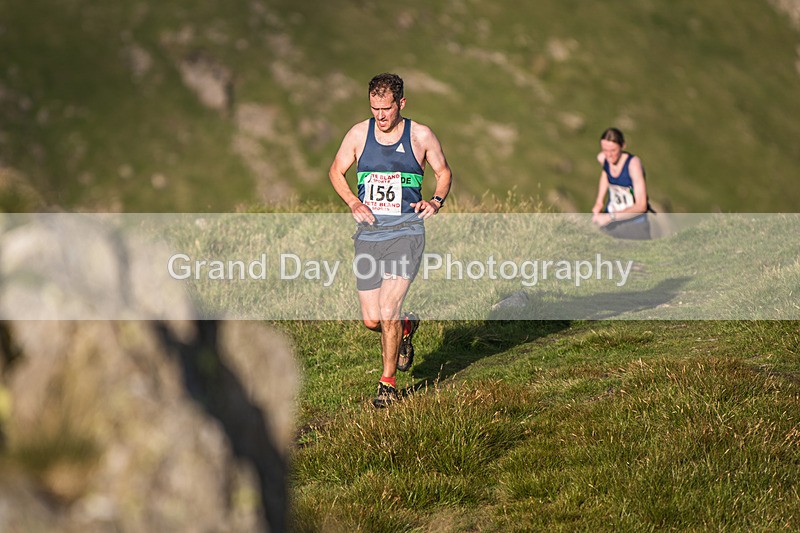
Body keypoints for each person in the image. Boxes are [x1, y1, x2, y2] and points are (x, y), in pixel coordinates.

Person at [329, 73, 453, 408]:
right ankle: (406, 326)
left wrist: (435, 201)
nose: (380, 116)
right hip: (369, 236)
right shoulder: (359, 134)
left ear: (401, 103)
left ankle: (387, 385)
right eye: (375, 108)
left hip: (406, 233)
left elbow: (443, 172)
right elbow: (336, 171)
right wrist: (353, 202)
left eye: (386, 109)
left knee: (388, 309)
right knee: (373, 319)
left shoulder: (421, 135)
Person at [591, 128, 653, 240]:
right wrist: (599, 202)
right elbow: (605, 174)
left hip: (634, 224)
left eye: (613, 150)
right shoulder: (603, 158)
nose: (609, 155)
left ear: (623, 146)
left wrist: (610, 217)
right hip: (612, 221)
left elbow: (641, 206)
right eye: (605, 150)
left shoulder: (633, 165)